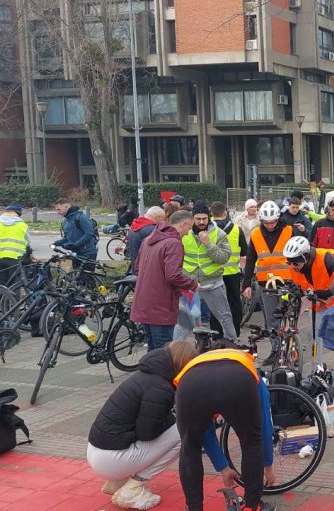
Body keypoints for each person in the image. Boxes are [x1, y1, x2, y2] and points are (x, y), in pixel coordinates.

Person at [87, 341, 198, 510]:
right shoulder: (161, 388)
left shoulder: (146, 375)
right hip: (110, 459)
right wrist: (176, 419)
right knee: (186, 432)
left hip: (97, 451)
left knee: (176, 428)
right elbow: (147, 433)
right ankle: (132, 489)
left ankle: (117, 481)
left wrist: (168, 418)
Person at [175, 347, 276, 511]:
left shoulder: (193, 366)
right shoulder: (248, 367)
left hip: (190, 384)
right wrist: (268, 465)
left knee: (190, 448)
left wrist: (223, 466)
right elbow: (263, 425)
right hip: (238, 381)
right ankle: (252, 506)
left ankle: (194, 508)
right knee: (251, 443)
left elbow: (204, 432)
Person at [131, 210, 199, 351]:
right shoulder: (174, 243)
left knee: (152, 349)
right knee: (164, 351)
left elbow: (137, 268)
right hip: (161, 307)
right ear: (184, 224)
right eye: (189, 228)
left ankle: (150, 372)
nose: (188, 233)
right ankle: (161, 374)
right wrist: (192, 284)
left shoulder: (148, 239)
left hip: (143, 303)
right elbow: (173, 275)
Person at [176, 201, 238, 343]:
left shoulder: (219, 234)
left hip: (213, 284)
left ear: (209, 217)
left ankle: (232, 345)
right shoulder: (184, 234)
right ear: (192, 219)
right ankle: (175, 352)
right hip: (190, 285)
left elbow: (223, 258)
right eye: (198, 219)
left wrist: (208, 244)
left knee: (225, 317)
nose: (202, 222)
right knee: (185, 322)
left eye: (204, 218)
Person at [241, 201, 294, 331]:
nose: (270, 225)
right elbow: (251, 259)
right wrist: (247, 284)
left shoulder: (289, 230)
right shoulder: (256, 234)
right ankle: (276, 347)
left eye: (273, 222)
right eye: (267, 223)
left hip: (287, 280)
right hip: (266, 282)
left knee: (289, 314)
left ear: (278, 219)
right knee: (271, 318)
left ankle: (290, 343)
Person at [281, 236, 334, 310]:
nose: (292, 266)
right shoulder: (296, 266)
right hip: (321, 301)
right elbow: (298, 285)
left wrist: (329, 292)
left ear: (305, 258)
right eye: (289, 263)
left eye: (295, 263)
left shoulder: (326, 258)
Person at [210, 201, 245, 334]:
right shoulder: (236, 229)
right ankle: (234, 332)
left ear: (211, 213)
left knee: (216, 305)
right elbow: (244, 251)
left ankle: (216, 333)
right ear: (225, 212)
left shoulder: (207, 230)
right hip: (232, 273)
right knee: (234, 304)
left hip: (213, 273)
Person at [0, 204, 29, 286]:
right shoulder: (23, 225)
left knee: (2, 285)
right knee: (14, 285)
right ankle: (13, 299)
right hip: (15, 259)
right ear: (19, 214)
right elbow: (29, 244)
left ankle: (2, 298)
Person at [54, 197, 98, 267]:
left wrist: (76, 244)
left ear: (66, 206)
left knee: (86, 277)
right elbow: (67, 238)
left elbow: (89, 234)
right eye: (56, 210)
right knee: (75, 276)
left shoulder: (81, 217)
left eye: (59, 209)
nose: (57, 212)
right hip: (75, 254)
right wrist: (56, 243)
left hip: (87, 253)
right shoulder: (65, 222)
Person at [127, 207, 165, 272]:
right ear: (156, 217)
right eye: (162, 219)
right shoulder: (152, 230)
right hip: (146, 268)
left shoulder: (135, 225)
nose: (162, 222)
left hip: (134, 264)